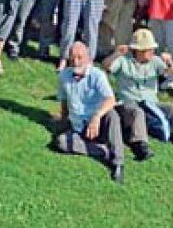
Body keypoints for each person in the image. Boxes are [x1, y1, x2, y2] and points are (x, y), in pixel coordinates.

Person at [101, 30, 173, 161]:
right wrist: (117, 53)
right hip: (129, 103)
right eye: (148, 49)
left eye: (152, 48)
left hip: (152, 104)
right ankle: (140, 145)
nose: (152, 51)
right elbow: (106, 67)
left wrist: (169, 63)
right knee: (137, 112)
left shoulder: (155, 61)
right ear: (138, 50)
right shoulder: (123, 61)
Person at [52, 42, 125, 184]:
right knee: (61, 142)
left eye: (80, 57)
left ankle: (118, 162)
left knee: (113, 115)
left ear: (88, 59)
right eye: (73, 58)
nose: (76, 62)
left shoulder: (98, 75)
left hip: (99, 123)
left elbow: (111, 99)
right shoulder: (64, 76)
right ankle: (103, 152)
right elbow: (65, 101)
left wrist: (96, 117)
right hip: (79, 127)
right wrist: (63, 118)